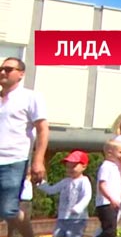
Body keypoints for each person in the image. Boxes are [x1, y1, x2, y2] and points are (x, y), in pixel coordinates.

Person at [0, 57, 48, 237]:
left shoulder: (30, 97)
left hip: (14, 160)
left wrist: (38, 160)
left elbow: (43, 129)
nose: (3, 72)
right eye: (1, 69)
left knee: (8, 209)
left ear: (21, 74)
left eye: (8, 69)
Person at [36, 150, 92, 237]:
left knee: (73, 235)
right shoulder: (65, 181)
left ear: (84, 166)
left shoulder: (84, 181)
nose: (70, 169)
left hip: (77, 218)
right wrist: (41, 184)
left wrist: (79, 207)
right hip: (62, 217)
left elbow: (87, 195)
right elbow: (52, 190)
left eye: (73, 167)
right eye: (68, 167)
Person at [96, 141, 121, 237]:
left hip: (112, 204)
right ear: (109, 153)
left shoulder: (114, 167)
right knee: (109, 231)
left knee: (110, 230)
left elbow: (115, 188)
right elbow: (102, 185)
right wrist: (111, 199)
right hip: (106, 204)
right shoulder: (106, 166)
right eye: (120, 152)